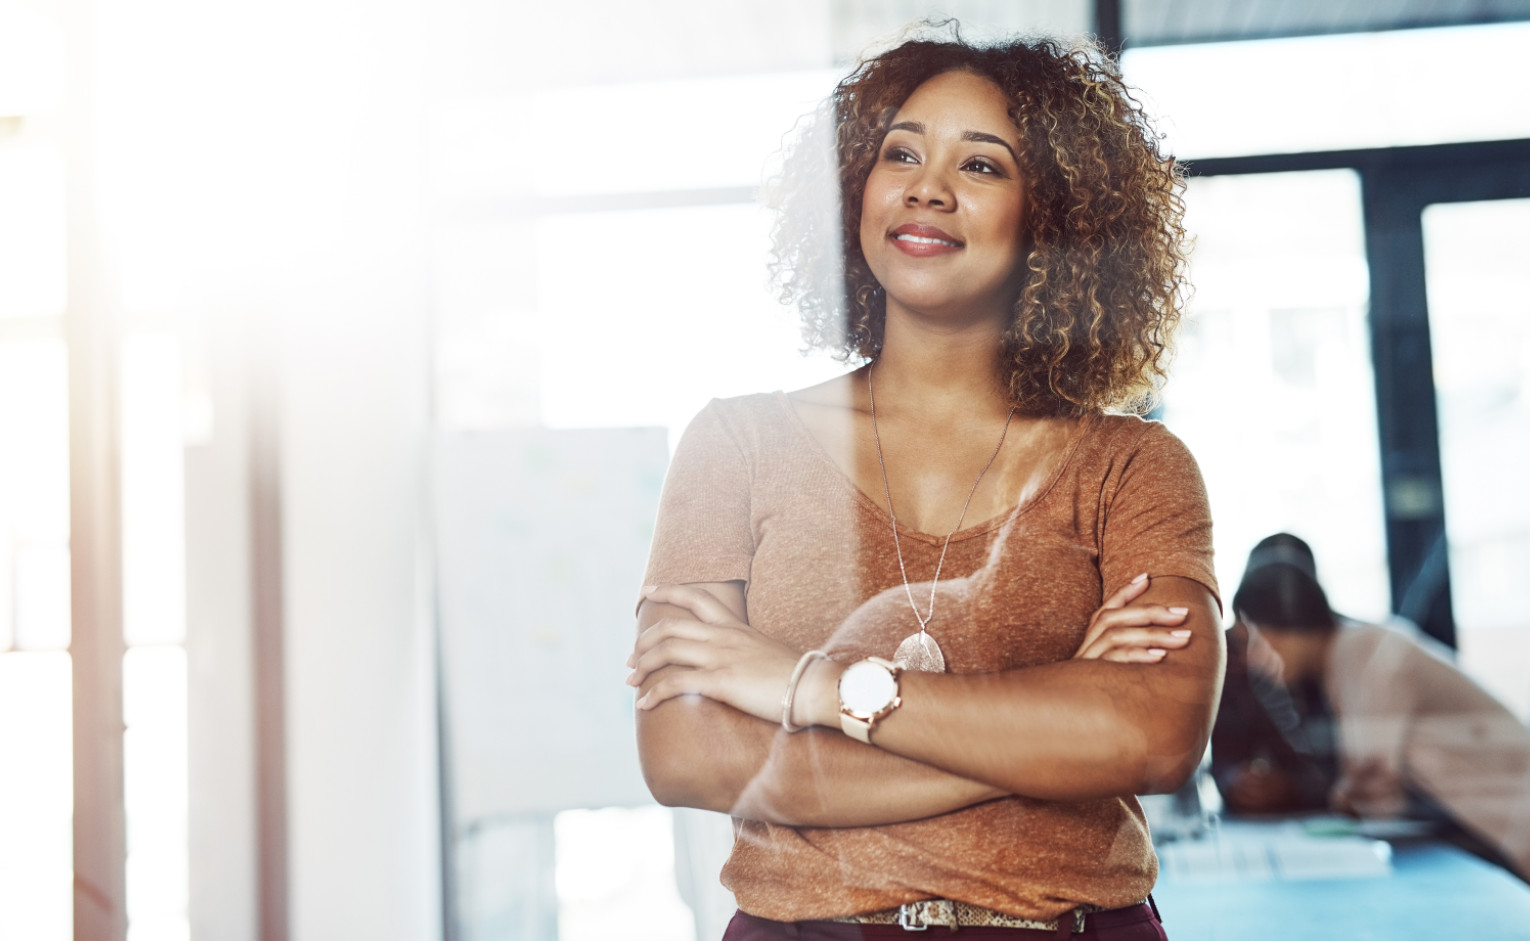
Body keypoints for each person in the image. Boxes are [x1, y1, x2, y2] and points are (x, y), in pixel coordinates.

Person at [626, 29, 1223, 940]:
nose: (927, 187)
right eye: (900, 152)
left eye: (982, 165)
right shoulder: (735, 446)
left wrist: (808, 688)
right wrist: (1056, 728)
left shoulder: (1133, 467)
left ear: (1053, 216)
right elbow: (687, 755)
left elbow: (1160, 737)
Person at [1212, 533, 1530, 883]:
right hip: (1498, 820)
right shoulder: (1344, 658)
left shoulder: (1368, 656)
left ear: (1284, 628)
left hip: (1516, 814)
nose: (1253, 661)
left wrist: (1326, 795)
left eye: (1252, 641)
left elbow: (1374, 790)